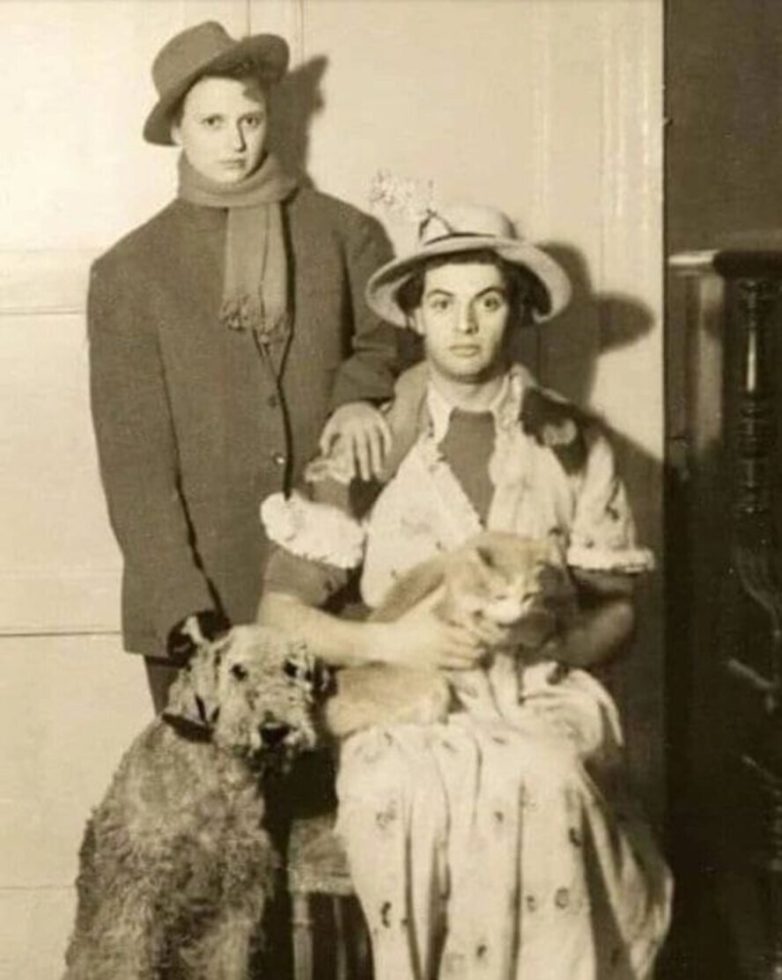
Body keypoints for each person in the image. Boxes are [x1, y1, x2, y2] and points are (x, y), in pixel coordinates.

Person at [258, 204, 672, 979]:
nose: (466, 325)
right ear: (414, 316)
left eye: (488, 301)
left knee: (546, 781)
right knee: (396, 792)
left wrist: (553, 646)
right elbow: (278, 615)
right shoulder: (369, 445)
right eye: (443, 303)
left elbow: (620, 607)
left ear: (519, 310)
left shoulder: (571, 441)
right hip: (402, 703)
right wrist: (392, 641)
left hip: (536, 697)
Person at [87, 21, 399, 709]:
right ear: (177, 130)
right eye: (212, 122)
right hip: (202, 596)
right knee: (205, 781)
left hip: (330, 587)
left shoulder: (347, 234)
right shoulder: (128, 273)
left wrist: (357, 395)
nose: (235, 142)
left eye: (249, 119)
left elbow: (387, 344)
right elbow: (134, 464)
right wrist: (179, 599)